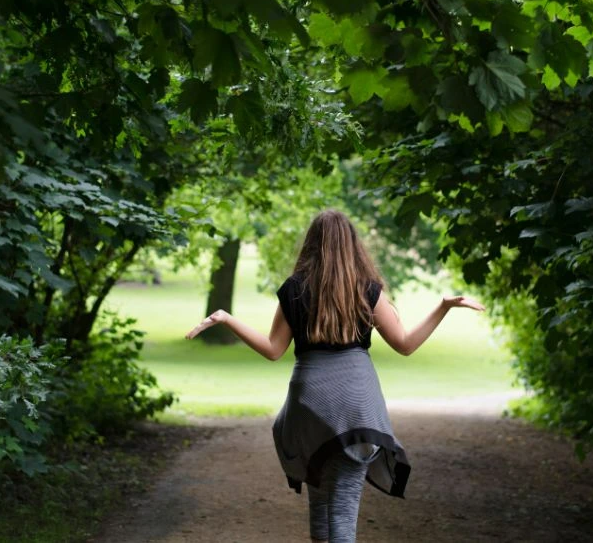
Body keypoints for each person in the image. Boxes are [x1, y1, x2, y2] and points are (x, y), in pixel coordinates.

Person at [185, 209, 484, 542]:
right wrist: (442, 306)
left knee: (321, 499)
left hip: (309, 404)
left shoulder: (294, 289)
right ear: (353, 246)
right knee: (343, 506)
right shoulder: (367, 290)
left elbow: (273, 350)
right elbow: (405, 344)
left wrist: (228, 319)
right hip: (356, 405)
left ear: (311, 244)